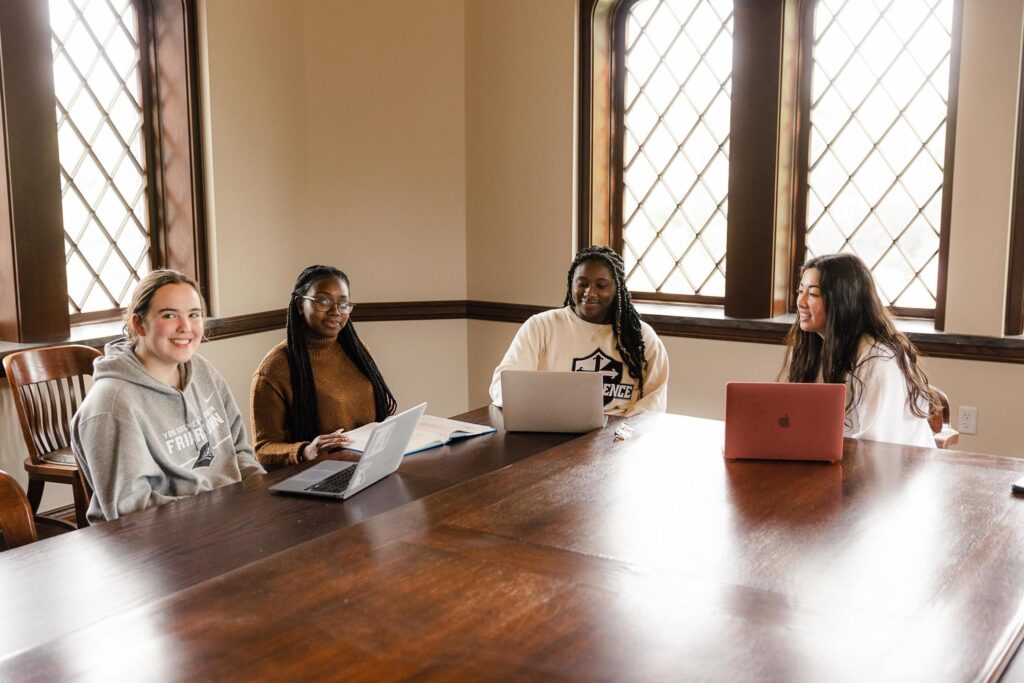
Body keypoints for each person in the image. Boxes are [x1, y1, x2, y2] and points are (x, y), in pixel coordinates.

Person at [71, 270, 264, 523]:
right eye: (169, 315)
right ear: (138, 324)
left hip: (230, 520)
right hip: (160, 544)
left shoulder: (203, 370)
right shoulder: (112, 405)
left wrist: (263, 494)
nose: (185, 327)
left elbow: (239, 451)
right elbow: (131, 511)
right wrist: (224, 512)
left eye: (194, 315)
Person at [489, 245, 669, 416]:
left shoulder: (642, 337)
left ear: (617, 289)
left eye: (601, 285)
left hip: (621, 437)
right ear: (571, 284)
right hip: (552, 429)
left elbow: (654, 401)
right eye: (582, 283)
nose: (589, 293)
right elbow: (502, 386)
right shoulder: (541, 326)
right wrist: (543, 413)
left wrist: (622, 434)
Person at [780, 252, 937, 447]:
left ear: (844, 300)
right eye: (799, 291)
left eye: (812, 294)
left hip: (892, 469)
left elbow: (875, 449)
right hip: (843, 464)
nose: (800, 302)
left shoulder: (880, 360)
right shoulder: (814, 348)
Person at [250, 265, 397, 469]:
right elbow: (264, 450)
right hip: (318, 475)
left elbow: (379, 412)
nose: (335, 311)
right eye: (323, 301)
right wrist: (306, 451)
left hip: (372, 466)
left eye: (343, 303)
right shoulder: (275, 369)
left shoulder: (358, 351)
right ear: (300, 304)